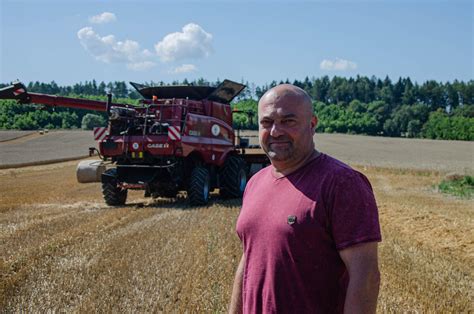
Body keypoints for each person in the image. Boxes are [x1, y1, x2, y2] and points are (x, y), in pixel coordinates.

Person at [228, 84, 381, 314]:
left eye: (288, 121)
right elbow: (248, 261)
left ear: (312, 125)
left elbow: (366, 277)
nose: (275, 131)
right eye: (267, 123)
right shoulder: (255, 183)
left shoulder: (341, 183)